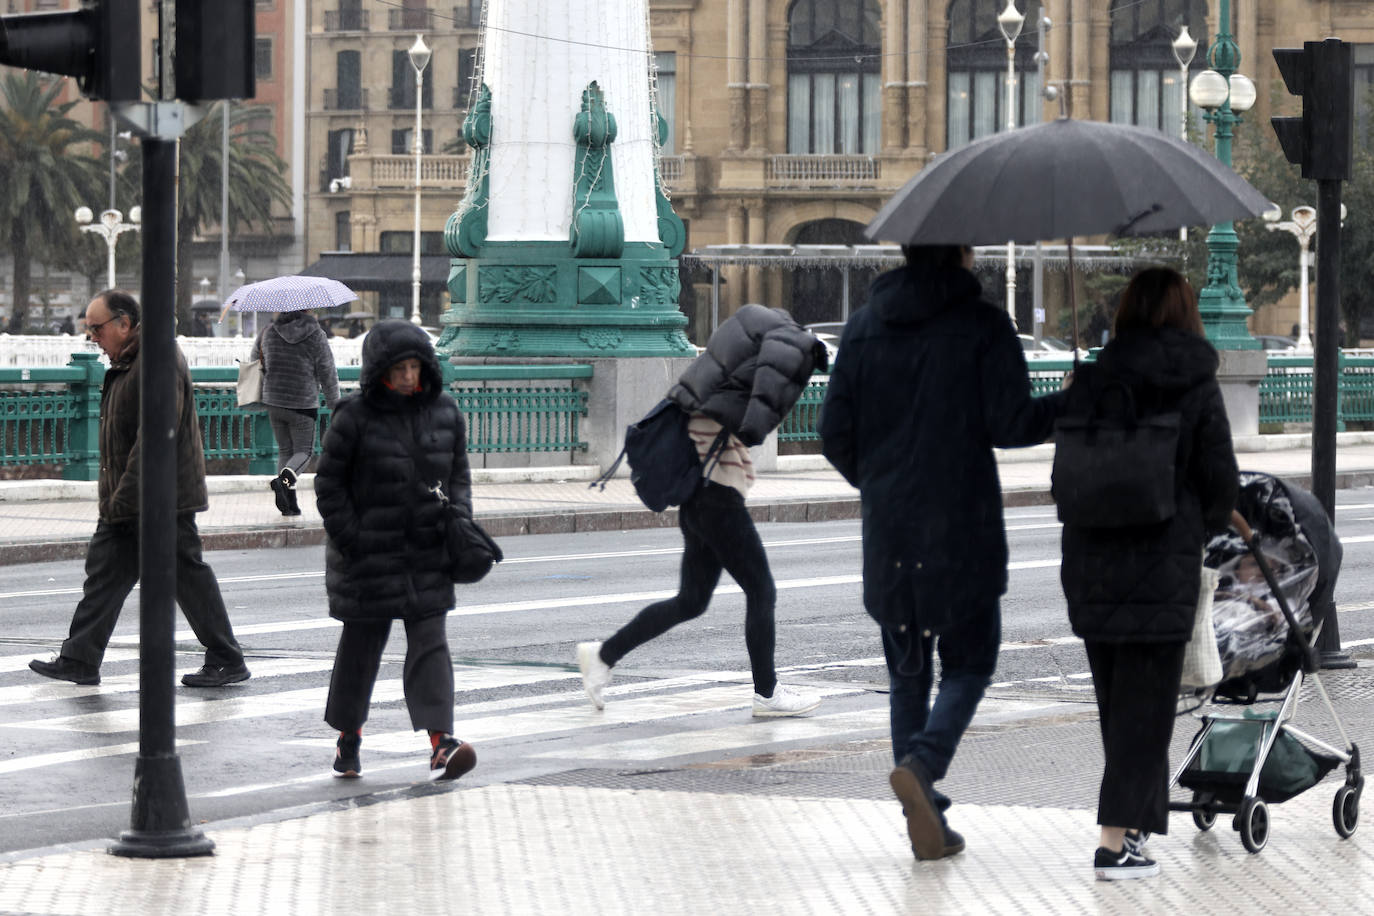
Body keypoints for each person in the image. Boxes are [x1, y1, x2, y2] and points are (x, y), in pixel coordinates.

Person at [818, 244, 1065, 862]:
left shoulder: (865, 325)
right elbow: (1012, 425)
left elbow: (832, 434)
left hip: (891, 531)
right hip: (963, 526)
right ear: (961, 252)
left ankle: (920, 813)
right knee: (971, 664)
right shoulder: (982, 323)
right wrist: (1070, 399)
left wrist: (879, 483)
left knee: (907, 675)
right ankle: (924, 770)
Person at [1056, 267, 1237, 880]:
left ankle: (1133, 832)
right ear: (1186, 313)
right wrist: (1195, 525)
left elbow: (1065, 476)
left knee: (1120, 710)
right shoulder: (1196, 382)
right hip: (1162, 567)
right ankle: (1113, 843)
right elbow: (1221, 484)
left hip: (1089, 565)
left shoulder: (1090, 377)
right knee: (1146, 713)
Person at [576, 304, 829, 718]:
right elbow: (770, 385)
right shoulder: (791, 342)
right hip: (716, 493)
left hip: (699, 490)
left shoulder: (744, 335)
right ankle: (767, 694)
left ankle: (603, 656)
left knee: (691, 601)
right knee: (761, 590)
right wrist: (755, 425)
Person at [29, 290, 251, 688]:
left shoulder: (157, 361)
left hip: (161, 499)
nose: (91, 338)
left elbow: (153, 442)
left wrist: (121, 501)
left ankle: (226, 657)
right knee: (105, 575)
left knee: (186, 577)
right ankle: (79, 658)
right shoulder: (128, 361)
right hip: (130, 499)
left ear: (124, 324)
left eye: (96, 328)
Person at [315, 319, 477, 781]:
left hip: (428, 551)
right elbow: (329, 485)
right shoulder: (353, 417)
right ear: (378, 371)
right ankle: (349, 736)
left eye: (415, 367)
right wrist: (353, 538)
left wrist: (459, 518)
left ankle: (441, 742)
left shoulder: (445, 411)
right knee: (361, 650)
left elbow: (459, 476)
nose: (409, 377)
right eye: (399, 369)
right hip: (368, 557)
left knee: (430, 645)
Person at [251, 309, 341, 516]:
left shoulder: (268, 331)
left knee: (285, 451)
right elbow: (327, 370)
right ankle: (283, 482)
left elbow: (255, 360)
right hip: (302, 402)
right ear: (306, 310)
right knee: (304, 452)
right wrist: (334, 403)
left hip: (274, 399)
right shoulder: (316, 334)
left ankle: (290, 504)